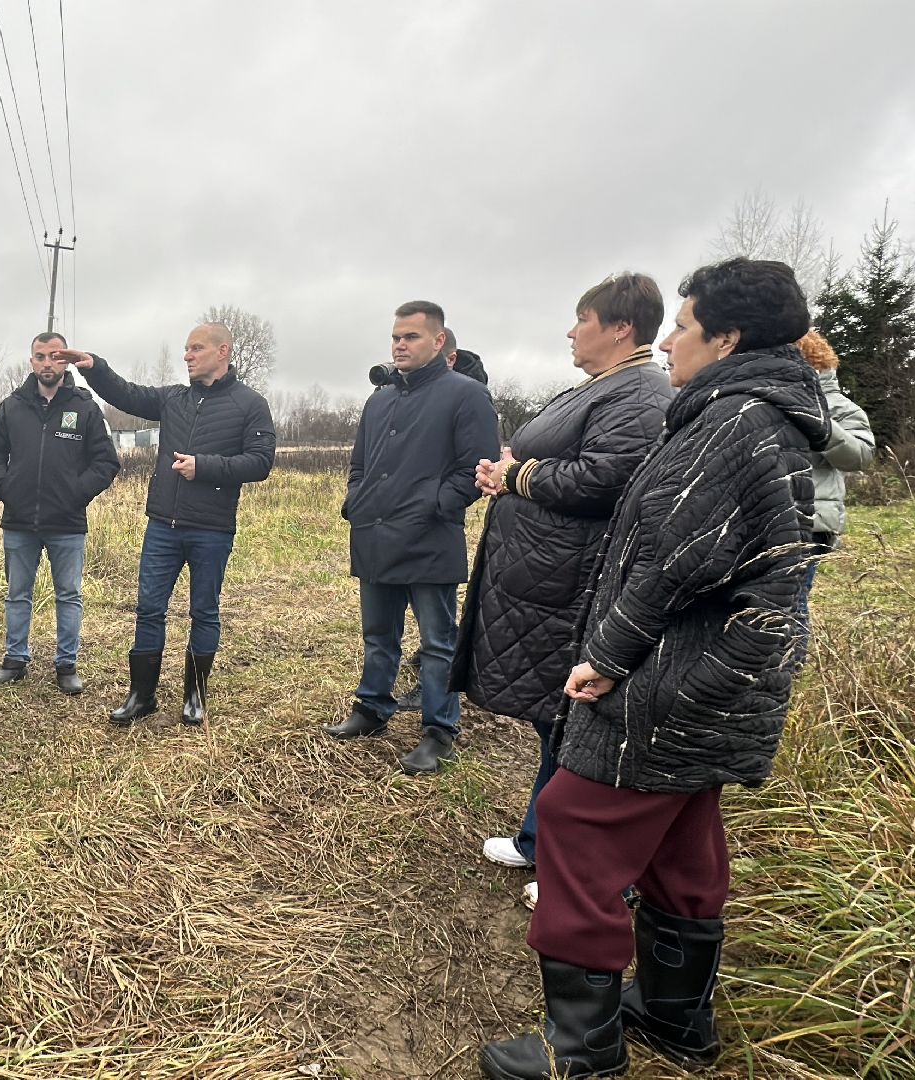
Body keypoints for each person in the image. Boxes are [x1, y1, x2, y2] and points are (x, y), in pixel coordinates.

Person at [480, 258, 828, 1079]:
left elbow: (672, 562)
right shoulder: (756, 416)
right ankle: (677, 1017)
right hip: (717, 682)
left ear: (729, 339)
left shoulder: (734, 424)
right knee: (681, 837)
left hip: (675, 681)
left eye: (685, 325)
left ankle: (581, 1053)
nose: (671, 340)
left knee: (573, 819)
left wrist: (604, 657)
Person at [453, 273, 671, 906]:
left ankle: (579, 871)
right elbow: (558, 459)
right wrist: (507, 467)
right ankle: (536, 840)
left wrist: (520, 475)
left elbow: (605, 479)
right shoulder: (601, 387)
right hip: (545, 581)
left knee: (577, 731)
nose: (571, 331)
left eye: (582, 319)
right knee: (556, 723)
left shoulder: (639, 392)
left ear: (621, 327)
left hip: (572, 586)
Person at [59, 324, 276, 725]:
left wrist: (205, 467)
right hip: (163, 526)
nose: (188, 356)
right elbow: (128, 393)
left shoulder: (250, 404)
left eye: (196, 348)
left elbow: (261, 461)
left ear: (222, 351)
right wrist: (94, 368)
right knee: (148, 610)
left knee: (204, 612)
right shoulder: (174, 399)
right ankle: (142, 696)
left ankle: (195, 698)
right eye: (186, 349)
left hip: (211, 529)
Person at [322, 302, 499, 774]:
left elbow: (476, 469)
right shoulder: (379, 399)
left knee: (438, 643)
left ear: (439, 342)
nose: (400, 344)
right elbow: (360, 463)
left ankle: (439, 731)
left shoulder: (466, 396)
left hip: (428, 539)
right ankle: (372, 708)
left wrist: (434, 506)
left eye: (412, 337)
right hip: (375, 534)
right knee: (379, 635)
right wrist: (355, 501)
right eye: (396, 337)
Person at [0, 332, 120, 694]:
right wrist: (7, 489)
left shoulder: (85, 407)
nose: (47, 363)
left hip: (67, 523)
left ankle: (66, 665)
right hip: (20, 522)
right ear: (31, 362)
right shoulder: (11, 406)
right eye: (40, 356)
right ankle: (14, 660)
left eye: (55, 357)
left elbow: (106, 462)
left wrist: (74, 494)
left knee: (69, 595)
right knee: (17, 593)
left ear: (66, 361)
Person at [793, 329, 876, 665]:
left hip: (813, 521)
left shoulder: (839, 407)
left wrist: (822, 427)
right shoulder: (770, 399)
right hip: (774, 515)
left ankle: (791, 670)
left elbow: (860, 455)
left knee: (792, 599)